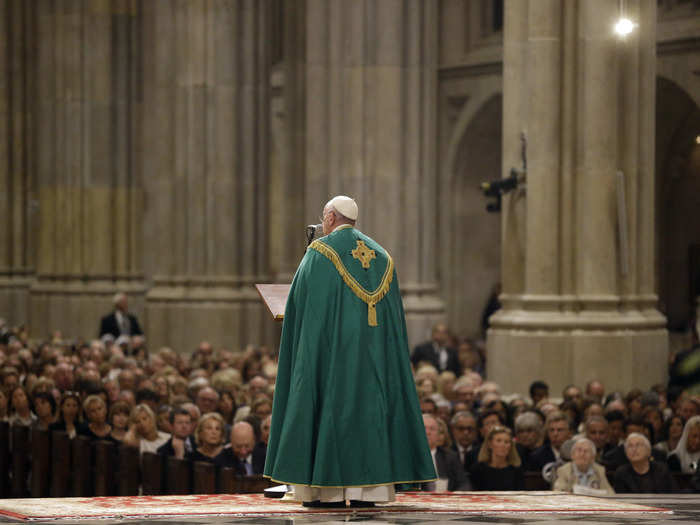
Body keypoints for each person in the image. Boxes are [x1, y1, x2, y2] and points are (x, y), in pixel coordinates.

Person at [264, 196, 435, 508]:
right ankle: (367, 492)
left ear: (329, 218)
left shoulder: (320, 252)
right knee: (368, 412)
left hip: (330, 360)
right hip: (373, 364)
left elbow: (302, 305)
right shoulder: (383, 257)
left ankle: (325, 491)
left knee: (329, 408)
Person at [423, 414, 471, 491]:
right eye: (424, 428)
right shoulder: (407, 458)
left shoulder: (450, 456)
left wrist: (453, 495)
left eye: (432, 429)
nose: (428, 432)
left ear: (438, 434)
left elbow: (464, 484)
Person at [470, 426, 524, 491]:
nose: (503, 445)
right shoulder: (478, 469)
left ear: (511, 446)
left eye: (506, 442)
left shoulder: (516, 470)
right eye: (498, 441)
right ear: (490, 444)